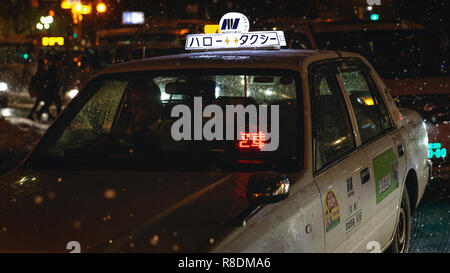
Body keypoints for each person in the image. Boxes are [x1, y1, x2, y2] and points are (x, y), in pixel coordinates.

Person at [36, 54, 63, 121]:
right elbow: (52, 79)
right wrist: (57, 84)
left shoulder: (52, 68)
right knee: (56, 103)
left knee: (49, 103)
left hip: (51, 89)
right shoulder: (53, 68)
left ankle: (43, 114)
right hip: (52, 89)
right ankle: (58, 117)